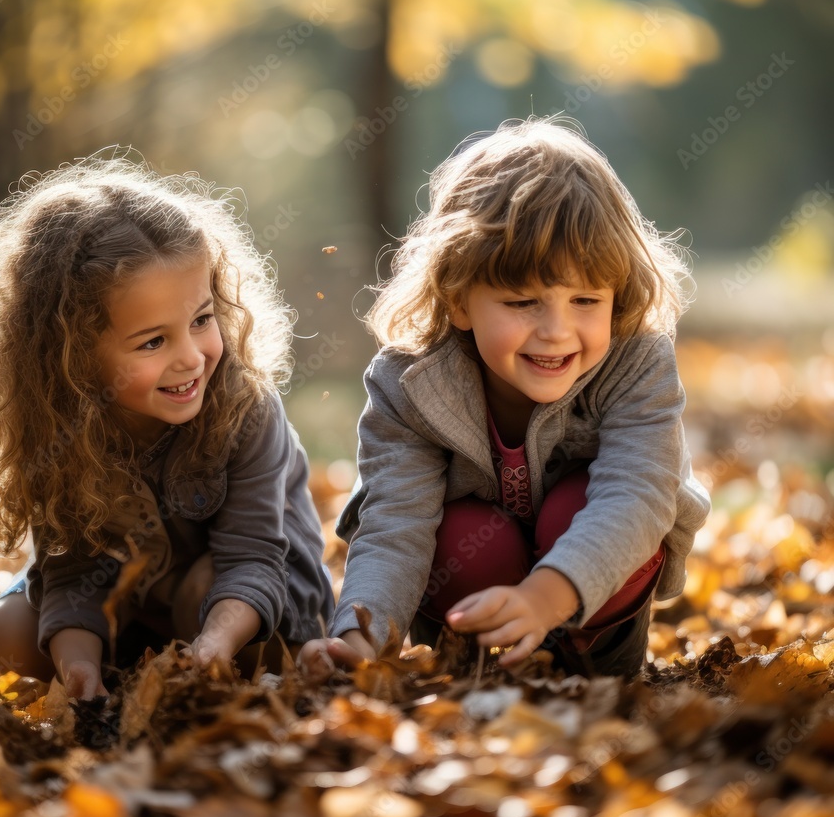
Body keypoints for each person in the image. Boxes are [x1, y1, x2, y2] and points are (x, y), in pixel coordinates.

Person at [300, 117, 710, 681]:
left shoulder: (637, 363)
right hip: (472, 581)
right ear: (459, 300)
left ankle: (590, 665)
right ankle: (469, 663)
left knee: (578, 508)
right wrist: (360, 637)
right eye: (523, 302)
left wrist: (549, 595)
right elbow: (395, 520)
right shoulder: (411, 385)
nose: (557, 331)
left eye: (586, 300)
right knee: (462, 535)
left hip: (594, 578)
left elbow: (638, 494)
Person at [0, 154, 333, 700]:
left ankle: (195, 663)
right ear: (71, 356)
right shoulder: (59, 429)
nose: (192, 358)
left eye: (202, 321)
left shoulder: (244, 408)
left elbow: (252, 559)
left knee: (200, 596)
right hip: (133, 599)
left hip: (253, 595)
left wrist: (213, 644)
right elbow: (68, 572)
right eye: (153, 342)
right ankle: (125, 671)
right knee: (7, 633)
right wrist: (76, 663)